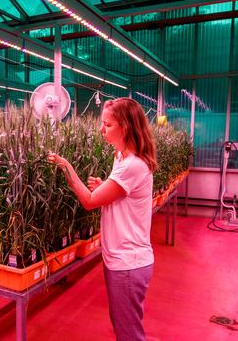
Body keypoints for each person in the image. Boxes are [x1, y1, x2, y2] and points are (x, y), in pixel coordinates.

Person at [47, 97, 157, 341]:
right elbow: (120, 194)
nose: (101, 129)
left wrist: (66, 167)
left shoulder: (132, 164)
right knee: (123, 328)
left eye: (107, 125)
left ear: (125, 127)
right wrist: (105, 186)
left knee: (128, 334)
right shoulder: (120, 157)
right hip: (121, 260)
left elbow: (88, 201)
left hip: (128, 263)